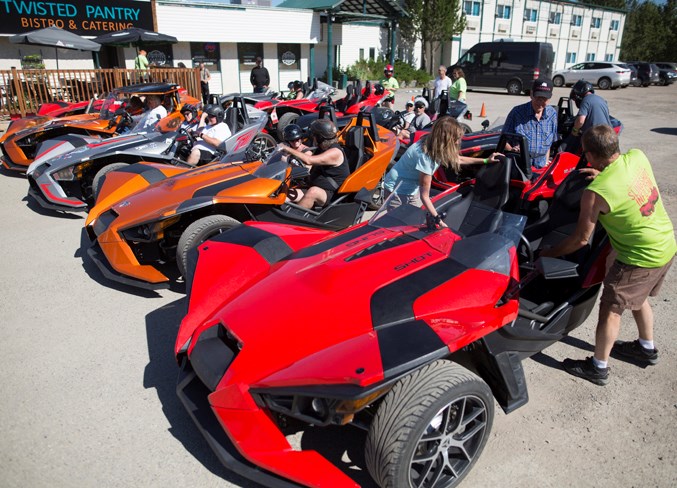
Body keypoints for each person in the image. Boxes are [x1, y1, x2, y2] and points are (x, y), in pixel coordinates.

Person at [540, 125, 676, 386]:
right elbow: (622, 179)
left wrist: (549, 253)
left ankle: (598, 367)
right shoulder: (637, 156)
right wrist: (603, 174)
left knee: (611, 309)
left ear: (589, 156)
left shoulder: (595, 193)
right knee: (639, 297)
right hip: (665, 244)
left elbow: (580, 240)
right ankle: (646, 348)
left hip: (639, 257)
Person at [384, 116, 502, 222]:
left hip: (410, 188)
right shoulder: (426, 157)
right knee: (399, 225)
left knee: (414, 221)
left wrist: (486, 160)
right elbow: (424, 196)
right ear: (446, 139)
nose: (458, 142)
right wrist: (438, 220)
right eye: (456, 138)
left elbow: (457, 159)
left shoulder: (432, 143)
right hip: (397, 190)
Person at [277, 119, 348, 209]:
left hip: (332, 194)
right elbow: (308, 166)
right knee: (284, 195)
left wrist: (287, 149)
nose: (312, 138)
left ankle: (295, 219)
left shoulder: (335, 152)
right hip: (313, 186)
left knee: (313, 192)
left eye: (314, 135)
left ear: (320, 137)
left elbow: (309, 160)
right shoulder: (322, 148)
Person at [503, 78, 558, 169]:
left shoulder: (552, 114)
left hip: (541, 168)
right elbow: (503, 140)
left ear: (549, 98)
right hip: (520, 166)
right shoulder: (517, 113)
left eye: (544, 99)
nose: (540, 102)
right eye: (538, 98)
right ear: (531, 94)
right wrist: (512, 150)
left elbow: (549, 143)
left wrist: (545, 163)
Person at [564, 79, 612, 154]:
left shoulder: (586, 100)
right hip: (608, 134)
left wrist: (574, 130)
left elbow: (580, 121)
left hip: (595, 136)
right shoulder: (601, 99)